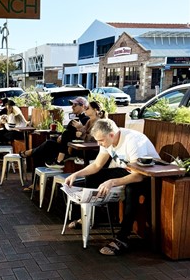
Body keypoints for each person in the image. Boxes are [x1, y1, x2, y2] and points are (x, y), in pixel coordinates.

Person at [65, 118, 160, 256]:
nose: (99, 144)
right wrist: (76, 174)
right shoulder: (107, 140)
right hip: (127, 171)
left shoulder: (133, 141)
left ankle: (122, 238)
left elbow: (139, 176)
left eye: (101, 141)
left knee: (131, 189)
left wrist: (112, 182)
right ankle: (93, 218)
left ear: (111, 134)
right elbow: (97, 165)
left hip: (149, 176)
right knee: (92, 177)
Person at [20, 96, 89, 170]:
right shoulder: (77, 119)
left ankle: (57, 161)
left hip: (72, 148)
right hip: (66, 146)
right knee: (47, 145)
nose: (72, 107)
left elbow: (77, 135)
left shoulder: (85, 119)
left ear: (83, 106)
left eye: (75, 105)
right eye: (72, 104)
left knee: (46, 147)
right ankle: (41, 167)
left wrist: (64, 136)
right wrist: (62, 136)